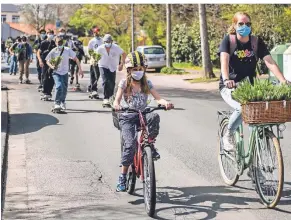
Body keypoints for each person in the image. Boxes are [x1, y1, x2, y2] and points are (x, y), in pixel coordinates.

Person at [218, 12, 291, 152]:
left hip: (250, 87)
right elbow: (224, 62)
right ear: (234, 25)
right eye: (241, 24)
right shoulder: (229, 41)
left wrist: (282, 80)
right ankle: (228, 134)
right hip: (230, 86)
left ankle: (254, 158)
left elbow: (269, 62)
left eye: (248, 24)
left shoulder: (256, 42)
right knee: (242, 107)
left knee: (261, 111)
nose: (244, 26)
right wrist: (227, 79)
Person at [113, 51, 174, 192]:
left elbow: (158, 98)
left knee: (154, 117)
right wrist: (116, 104)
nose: (138, 72)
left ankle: (149, 144)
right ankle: (122, 176)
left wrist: (166, 103)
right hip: (127, 116)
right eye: (135, 69)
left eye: (140, 69)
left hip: (143, 113)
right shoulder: (124, 83)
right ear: (129, 70)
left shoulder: (147, 83)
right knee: (130, 145)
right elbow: (117, 99)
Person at [46, 36, 84, 110]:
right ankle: (57, 103)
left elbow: (76, 59)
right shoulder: (53, 51)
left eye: (61, 42)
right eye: (58, 42)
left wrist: (80, 69)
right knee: (59, 86)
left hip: (65, 72)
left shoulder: (67, 50)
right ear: (55, 43)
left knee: (64, 88)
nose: (59, 44)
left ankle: (62, 102)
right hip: (56, 72)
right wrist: (52, 66)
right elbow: (47, 60)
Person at [96, 34, 127, 105]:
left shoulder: (116, 47)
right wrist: (95, 60)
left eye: (109, 41)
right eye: (106, 41)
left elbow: (124, 54)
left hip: (112, 67)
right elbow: (95, 55)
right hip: (103, 65)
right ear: (104, 42)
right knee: (105, 81)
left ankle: (111, 97)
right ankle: (106, 98)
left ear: (112, 41)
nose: (107, 43)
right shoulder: (100, 48)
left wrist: (121, 64)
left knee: (112, 83)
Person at [37, 29, 56, 99]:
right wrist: (40, 61)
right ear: (47, 34)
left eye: (51, 33)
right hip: (45, 62)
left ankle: (49, 92)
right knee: (45, 77)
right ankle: (45, 92)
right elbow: (38, 52)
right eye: (49, 33)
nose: (50, 35)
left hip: (52, 62)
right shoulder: (43, 43)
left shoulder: (54, 43)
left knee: (52, 77)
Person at [87, 27, 103, 97]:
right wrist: (93, 57)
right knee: (93, 76)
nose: (96, 33)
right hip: (93, 60)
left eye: (97, 32)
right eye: (95, 32)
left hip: (101, 60)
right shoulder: (91, 41)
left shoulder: (102, 41)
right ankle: (94, 90)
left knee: (98, 75)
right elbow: (89, 51)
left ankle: (91, 87)